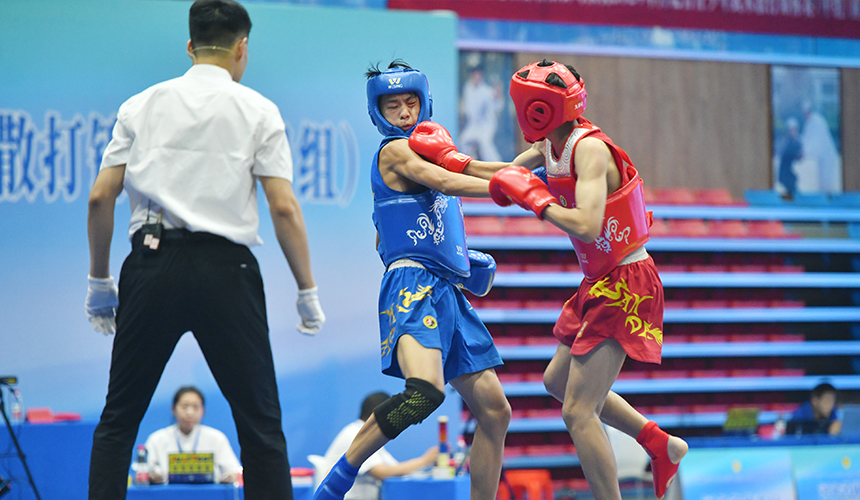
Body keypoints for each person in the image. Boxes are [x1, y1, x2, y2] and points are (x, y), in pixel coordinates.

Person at [84, 1, 325, 498]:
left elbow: (99, 197)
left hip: (151, 263)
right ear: (242, 49)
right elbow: (284, 209)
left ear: (190, 47)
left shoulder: (139, 105)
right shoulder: (258, 109)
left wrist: (99, 282)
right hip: (227, 271)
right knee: (260, 428)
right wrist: (306, 289)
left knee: (118, 421)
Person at [485, 60, 688, 499]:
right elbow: (502, 174)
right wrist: (444, 167)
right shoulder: (549, 147)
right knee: (556, 382)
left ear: (536, 109)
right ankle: (659, 442)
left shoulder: (588, 149)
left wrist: (538, 203)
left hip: (627, 281)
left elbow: (589, 225)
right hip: (599, 279)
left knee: (578, 411)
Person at [312, 59, 511, 500]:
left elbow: (471, 167)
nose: (404, 112)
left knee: (495, 413)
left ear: (423, 103)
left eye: (410, 103)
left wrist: (534, 166)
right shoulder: (394, 151)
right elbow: (446, 180)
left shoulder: (433, 148)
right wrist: (518, 190)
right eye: (393, 105)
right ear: (378, 111)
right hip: (413, 284)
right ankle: (334, 485)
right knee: (424, 393)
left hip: (447, 291)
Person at [317, 392, 439, 500]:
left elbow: (396, 469)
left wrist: (427, 466)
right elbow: (383, 473)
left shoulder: (371, 436)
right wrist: (425, 460)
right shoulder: (355, 435)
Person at [145, 387, 241, 484]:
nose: (189, 413)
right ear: (173, 409)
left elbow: (234, 471)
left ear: (203, 411)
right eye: (184, 407)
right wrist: (152, 477)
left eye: (196, 407)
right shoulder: (156, 439)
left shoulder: (216, 438)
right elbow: (144, 473)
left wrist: (230, 477)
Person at [459, 65, 503, 162]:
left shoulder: (486, 91)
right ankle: (471, 165)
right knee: (463, 141)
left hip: (486, 125)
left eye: (478, 75)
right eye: (474, 75)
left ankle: (497, 167)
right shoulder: (467, 88)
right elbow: (467, 109)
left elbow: (498, 105)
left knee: (485, 144)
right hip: (473, 125)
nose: (476, 77)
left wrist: (497, 94)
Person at [800, 100, 841, 194]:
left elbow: (816, 140)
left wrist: (805, 151)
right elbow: (806, 138)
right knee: (822, 180)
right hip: (821, 157)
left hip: (827, 155)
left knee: (827, 180)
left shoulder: (817, 121)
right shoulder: (810, 122)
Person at [777, 118, 802, 199]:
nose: (794, 132)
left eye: (795, 130)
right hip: (785, 172)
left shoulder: (797, 141)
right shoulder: (787, 141)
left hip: (789, 172)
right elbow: (787, 153)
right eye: (792, 130)